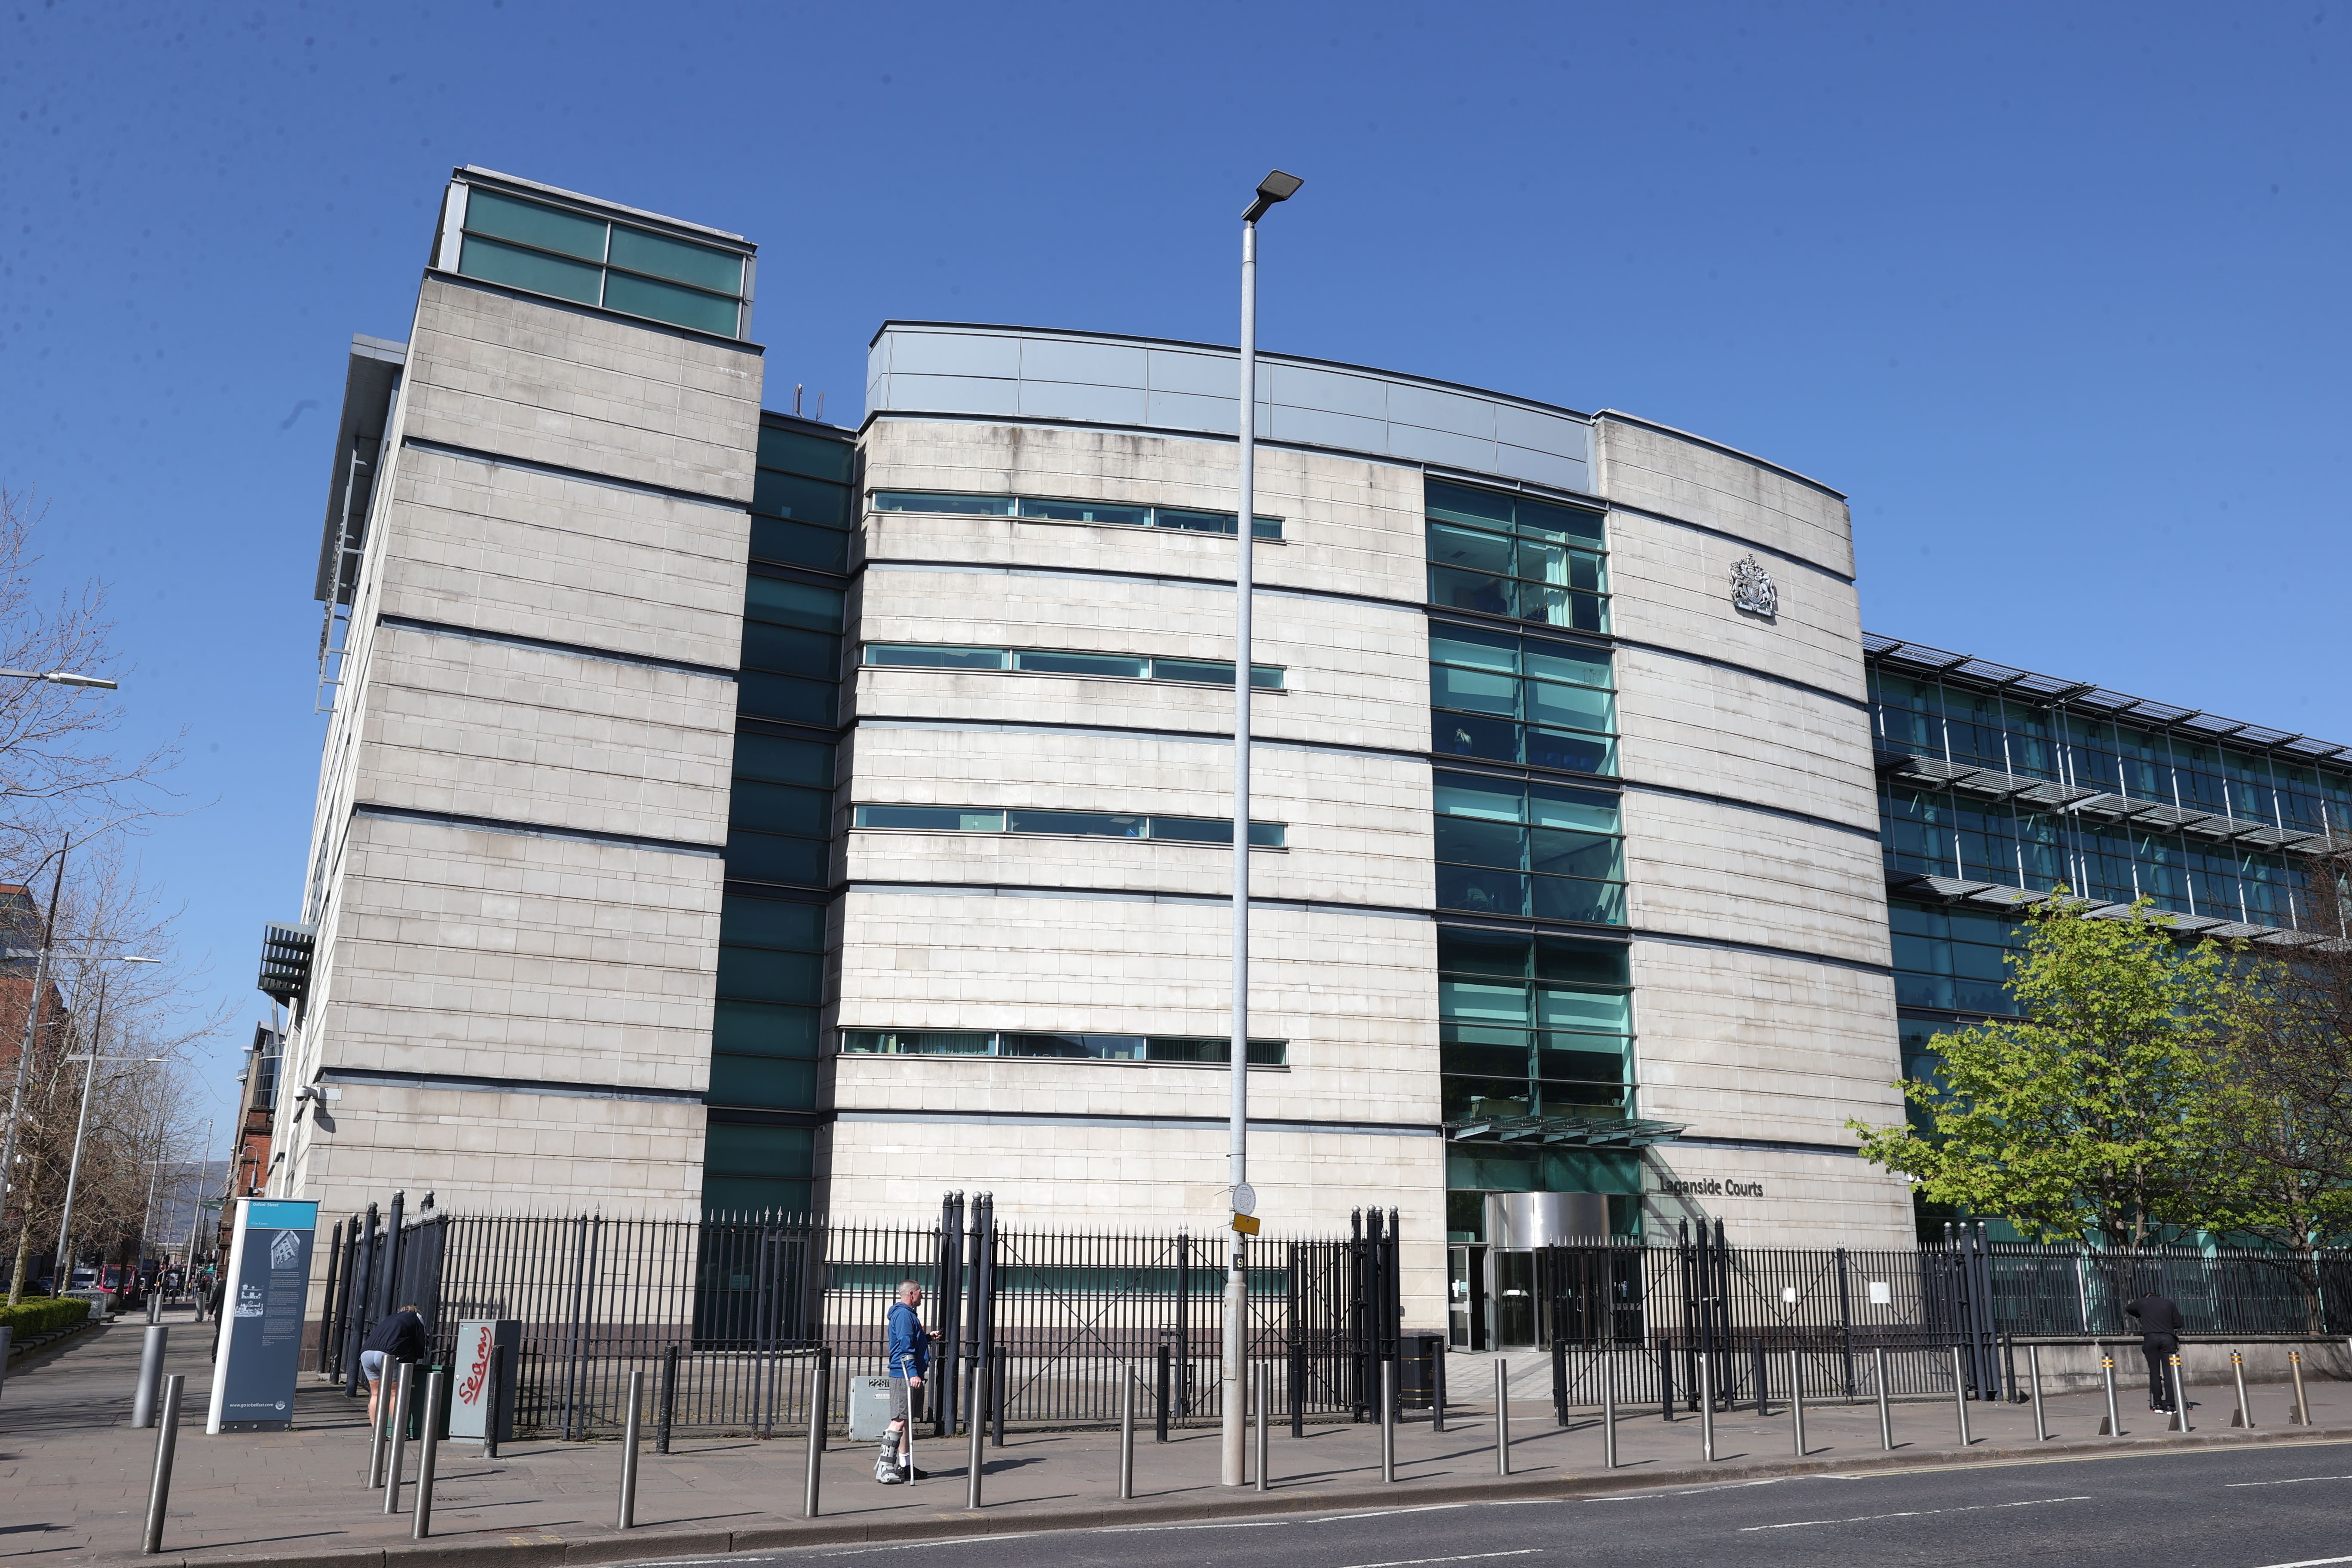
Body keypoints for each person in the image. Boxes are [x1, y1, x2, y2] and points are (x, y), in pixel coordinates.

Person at [876, 1280, 933, 1484]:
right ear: (912, 1294)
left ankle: (905, 1465)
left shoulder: (907, 1315)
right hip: (904, 1375)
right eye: (920, 1293)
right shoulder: (903, 1315)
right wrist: (913, 1373)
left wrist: (926, 1338)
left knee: (906, 1420)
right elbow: (904, 1347)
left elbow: (912, 1342)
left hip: (908, 1373)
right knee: (899, 1419)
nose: (922, 1297)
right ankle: (885, 1467)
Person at [360, 1302, 431, 1430]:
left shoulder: (391, 1318)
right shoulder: (416, 1317)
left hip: (367, 1353)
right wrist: (417, 1357)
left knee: (375, 1394)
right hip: (388, 1354)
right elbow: (421, 1342)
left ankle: (377, 1433)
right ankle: (398, 1433)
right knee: (395, 1393)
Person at [2124, 1286, 2186, 1411]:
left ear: (2146, 1297)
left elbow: (2128, 1308)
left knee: (2154, 1372)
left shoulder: (2143, 1302)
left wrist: (2140, 1314)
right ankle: (2171, 1405)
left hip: (2151, 1338)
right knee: (2169, 1373)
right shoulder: (2169, 1303)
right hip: (2168, 1338)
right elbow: (2179, 1323)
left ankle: (2158, 1404)